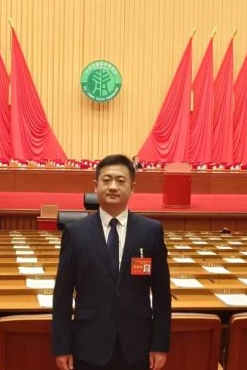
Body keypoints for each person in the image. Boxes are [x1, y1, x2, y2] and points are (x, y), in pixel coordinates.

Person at [52, 154, 171, 370]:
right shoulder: (76, 232)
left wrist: (160, 345)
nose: (113, 187)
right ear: (95, 186)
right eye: (106, 180)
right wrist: (62, 347)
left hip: (137, 345)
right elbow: (62, 294)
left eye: (120, 180)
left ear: (132, 188)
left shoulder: (151, 231)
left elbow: (162, 294)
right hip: (88, 344)